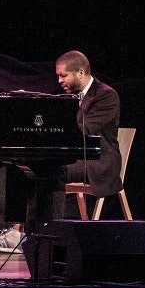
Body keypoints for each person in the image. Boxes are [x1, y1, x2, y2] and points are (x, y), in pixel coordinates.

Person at [55, 50, 122, 217]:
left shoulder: (106, 95)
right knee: (29, 168)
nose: (59, 80)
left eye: (63, 75)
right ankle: (19, 227)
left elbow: (85, 129)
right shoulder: (69, 96)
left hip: (98, 161)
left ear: (81, 73)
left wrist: (56, 124)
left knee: (53, 171)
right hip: (76, 157)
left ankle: (52, 226)